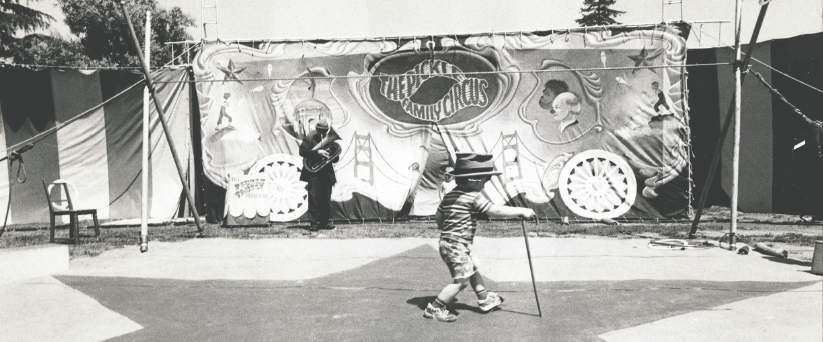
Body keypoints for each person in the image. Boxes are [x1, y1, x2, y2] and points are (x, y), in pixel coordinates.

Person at [424, 152, 535, 322]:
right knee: (460, 282)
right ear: (472, 180)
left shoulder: (450, 195)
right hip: (456, 245)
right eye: (484, 179)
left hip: (449, 242)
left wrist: (445, 228)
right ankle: (435, 308)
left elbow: (439, 217)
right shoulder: (473, 196)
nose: (485, 183)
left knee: (473, 267)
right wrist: (522, 211)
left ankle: (484, 298)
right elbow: (495, 211)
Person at [299, 118, 340, 231]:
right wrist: (317, 152)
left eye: (325, 130)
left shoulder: (330, 141)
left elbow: (336, 159)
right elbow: (302, 152)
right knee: (314, 198)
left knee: (326, 198)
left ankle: (324, 222)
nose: (322, 133)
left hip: (326, 173)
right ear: (316, 129)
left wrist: (331, 155)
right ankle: (314, 223)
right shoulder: (309, 138)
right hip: (314, 173)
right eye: (320, 130)